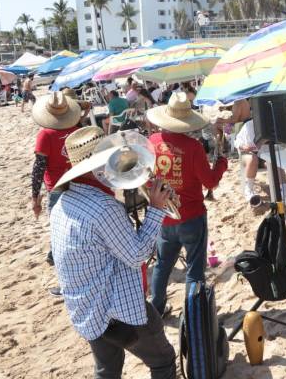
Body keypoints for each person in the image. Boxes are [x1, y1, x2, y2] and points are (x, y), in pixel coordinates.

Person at [50, 126, 177, 379]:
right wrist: (156, 209)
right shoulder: (103, 207)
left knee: (107, 370)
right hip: (118, 311)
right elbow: (138, 254)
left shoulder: (61, 201)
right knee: (163, 360)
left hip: (86, 309)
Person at [145, 93, 228, 316]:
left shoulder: (152, 142)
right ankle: (194, 316)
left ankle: (157, 308)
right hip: (191, 215)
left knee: (163, 265)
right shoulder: (193, 147)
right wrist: (221, 164)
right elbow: (210, 182)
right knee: (194, 268)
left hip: (163, 214)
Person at [30, 92, 82, 268]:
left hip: (57, 186)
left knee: (58, 227)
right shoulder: (77, 131)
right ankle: (55, 253)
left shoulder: (45, 134)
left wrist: (34, 196)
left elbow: (39, 167)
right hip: (78, 183)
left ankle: (57, 255)